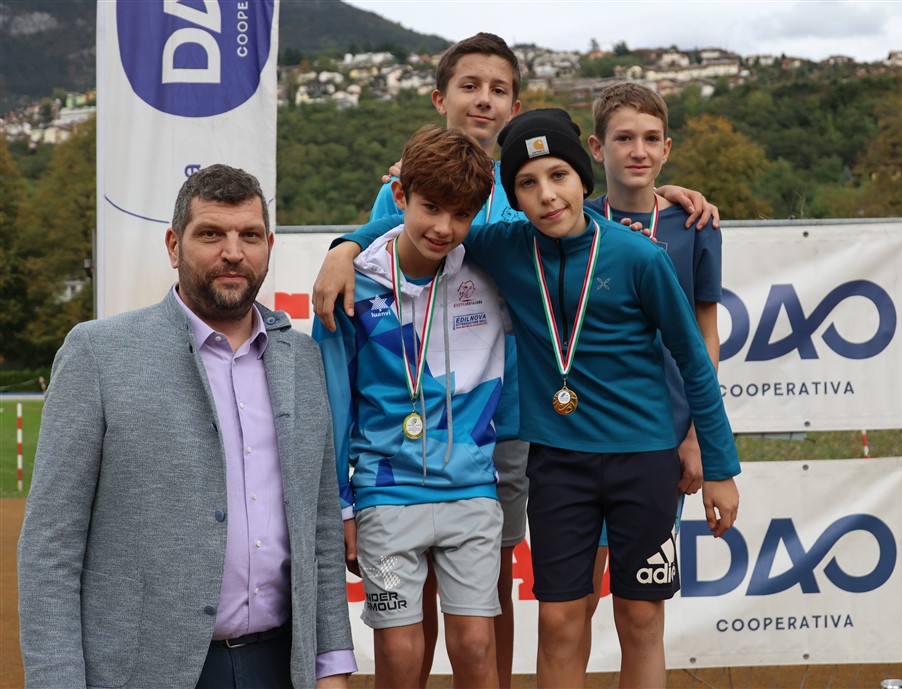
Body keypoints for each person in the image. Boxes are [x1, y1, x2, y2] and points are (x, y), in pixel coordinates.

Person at [310, 33, 721, 687]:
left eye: (498, 89)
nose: (483, 100)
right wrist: (342, 247)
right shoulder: (412, 192)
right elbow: (394, 233)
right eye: (469, 86)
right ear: (440, 98)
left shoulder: (542, 192)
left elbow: (595, 225)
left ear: (515, 105)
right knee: (424, 621)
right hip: (415, 453)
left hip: (518, 432)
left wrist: (662, 195)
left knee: (499, 599)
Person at [17, 164, 355, 689]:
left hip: (280, 666)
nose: (233, 253)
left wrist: (331, 663)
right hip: (143, 672)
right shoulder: (98, 354)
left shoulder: (302, 359)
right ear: (174, 246)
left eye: (249, 236)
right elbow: (50, 548)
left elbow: (321, 530)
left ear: (269, 246)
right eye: (211, 234)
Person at [313, 126, 507, 688]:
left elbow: (569, 225)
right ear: (399, 196)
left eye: (461, 214)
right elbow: (332, 403)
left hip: (471, 490)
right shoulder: (352, 283)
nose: (444, 227)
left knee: (476, 646)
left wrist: (655, 199)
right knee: (399, 654)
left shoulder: (494, 272)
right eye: (431, 208)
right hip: (384, 495)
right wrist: (342, 506)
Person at [577, 81, 726, 670]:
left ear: (667, 148)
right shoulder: (573, 221)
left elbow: (706, 337)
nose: (637, 151)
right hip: (582, 443)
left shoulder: (695, 224)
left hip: (661, 442)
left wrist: (695, 437)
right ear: (597, 148)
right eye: (623, 138)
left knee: (641, 614)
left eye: (650, 139)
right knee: (575, 605)